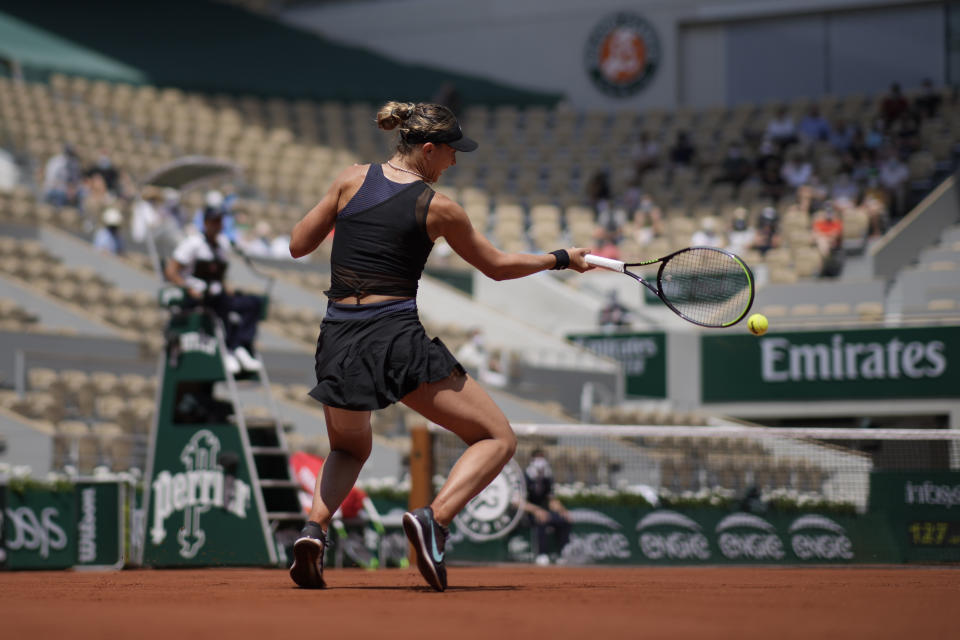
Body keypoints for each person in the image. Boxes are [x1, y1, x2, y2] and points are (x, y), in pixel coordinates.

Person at [286, 100, 593, 591]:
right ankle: (436, 518)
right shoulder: (438, 206)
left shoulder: (350, 178)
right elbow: (496, 266)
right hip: (394, 335)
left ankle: (312, 531)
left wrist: (344, 215)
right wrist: (560, 258)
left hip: (338, 335)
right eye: (452, 153)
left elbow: (299, 244)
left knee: (348, 447)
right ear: (428, 149)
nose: (454, 162)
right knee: (498, 438)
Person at [164, 207, 264, 375]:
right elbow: (171, 271)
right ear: (205, 223)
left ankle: (239, 345)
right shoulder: (193, 243)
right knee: (221, 303)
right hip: (199, 295)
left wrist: (227, 288)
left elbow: (219, 276)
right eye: (213, 221)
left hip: (217, 293)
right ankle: (228, 349)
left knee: (253, 303)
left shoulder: (222, 245)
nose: (217, 225)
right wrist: (187, 288)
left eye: (219, 221)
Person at [522, 449, 571, 565]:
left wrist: (563, 511)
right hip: (528, 513)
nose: (541, 461)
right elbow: (518, 501)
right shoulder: (525, 477)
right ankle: (541, 554)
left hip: (545, 512)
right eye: (538, 458)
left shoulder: (547, 478)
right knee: (542, 520)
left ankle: (562, 553)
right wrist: (536, 510)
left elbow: (551, 499)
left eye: (542, 458)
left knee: (563, 520)